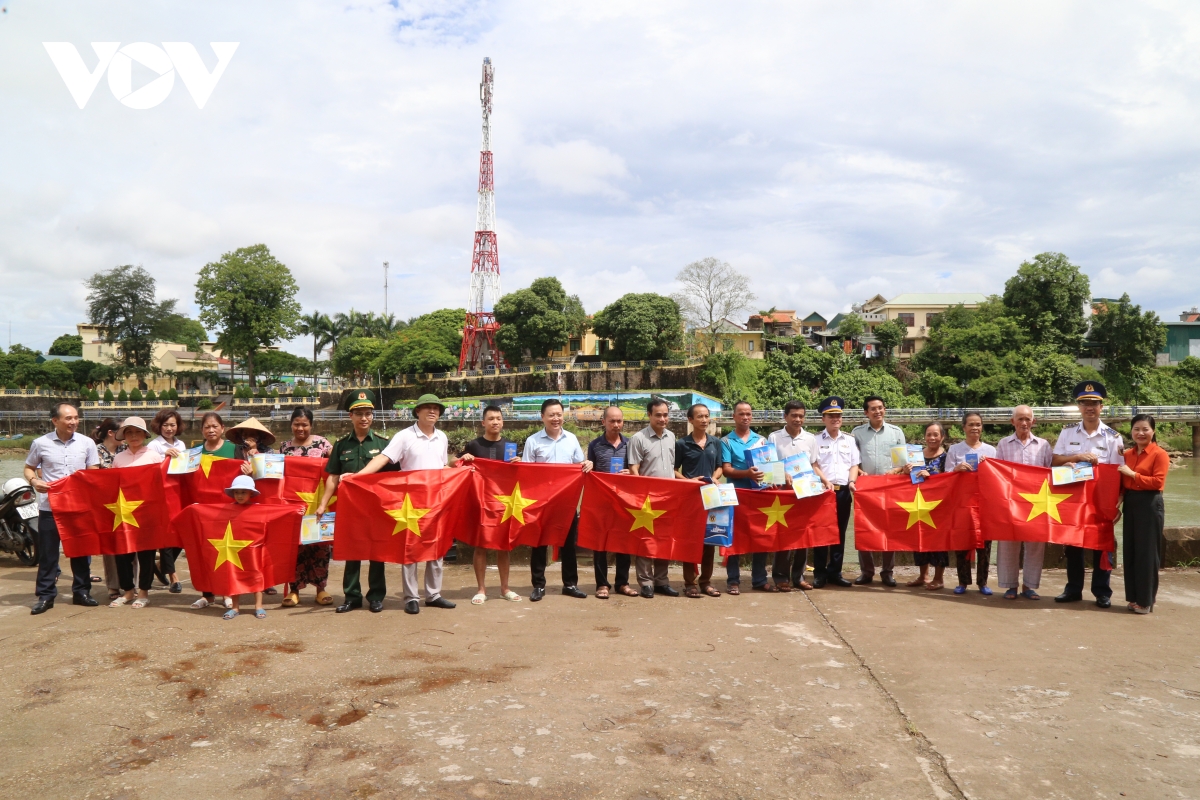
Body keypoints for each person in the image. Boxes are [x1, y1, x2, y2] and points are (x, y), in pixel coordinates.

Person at [358, 393, 457, 615]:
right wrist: (358, 476)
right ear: (417, 412)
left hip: (436, 500)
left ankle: (433, 594)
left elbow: (442, 466)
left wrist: (464, 470)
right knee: (410, 547)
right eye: (427, 408)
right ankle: (411, 596)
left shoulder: (441, 437)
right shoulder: (404, 436)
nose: (433, 411)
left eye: (436, 408)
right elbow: (383, 458)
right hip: (411, 501)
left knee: (437, 547)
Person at [314, 390, 394, 614]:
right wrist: (322, 504)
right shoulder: (340, 445)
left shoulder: (383, 444)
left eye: (368, 413)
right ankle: (352, 596)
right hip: (349, 508)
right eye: (359, 413)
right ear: (351, 416)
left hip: (375, 507)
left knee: (376, 550)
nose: (364, 418)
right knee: (351, 551)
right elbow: (332, 477)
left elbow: (394, 478)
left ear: (372, 416)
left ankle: (376, 596)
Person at [1052, 381, 1124, 608]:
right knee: (1073, 544)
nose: (1089, 407)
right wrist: (1077, 457)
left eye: (1094, 403)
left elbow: (1119, 473)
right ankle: (1073, 589)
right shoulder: (1067, 432)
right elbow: (1055, 462)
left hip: (1102, 500)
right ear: (1079, 407)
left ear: (1101, 407)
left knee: (1102, 545)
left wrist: (1117, 504)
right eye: (1084, 403)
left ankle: (1102, 591)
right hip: (1075, 498)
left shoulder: (1113, 437)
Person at [25, 403, 100, 614]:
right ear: (55, 421)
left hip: (79, 507)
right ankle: (46, 596)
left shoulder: (87, 443)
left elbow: (93, 471)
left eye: (76, 418)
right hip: (50, 507)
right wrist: (34, 481)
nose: (73, 422)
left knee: (80, 550)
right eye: (68, 418)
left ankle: (82, 592)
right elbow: (29, 467)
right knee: (48, 554)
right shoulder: (40, 443)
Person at [521, 398, 593, 601]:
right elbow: (527, 473)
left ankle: (570, 584)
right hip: (541, 503)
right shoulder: (533, 441)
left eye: (559, 414)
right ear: (542, 417)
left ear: (563, 416)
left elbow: (580, 465)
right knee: (539, 543)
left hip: (566, 503)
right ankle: (538, 585)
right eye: (551, 415)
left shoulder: (571, 439)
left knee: (569, 544)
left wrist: (587, 463)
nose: (556, 418)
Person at [455, 404, 523, 605]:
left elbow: (518, 476)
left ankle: (505, 588)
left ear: (503, 422)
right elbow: (454, 464)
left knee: (504, 546)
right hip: (481, 502)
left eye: (499, 418)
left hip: (504, 503)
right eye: (491, 419)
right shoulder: (474, 445)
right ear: (483, 423)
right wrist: (463, 459)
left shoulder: (510, 446)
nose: (495, 422)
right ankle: (481, 589)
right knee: (481, 545)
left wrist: (519, 462)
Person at [994, 405, 1053, 600]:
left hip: (1037, 503)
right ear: (1013, 422)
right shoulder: (1003, 444)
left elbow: (1049, 472)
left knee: (1035, 544)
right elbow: (997, 474)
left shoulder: (1043, 445)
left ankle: (1029, 585)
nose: (1024, 423)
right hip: (1010, 501)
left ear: (1033, 422)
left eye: (1028, 419)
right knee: (1008, 542)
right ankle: (1010, 585)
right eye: (1020, 419)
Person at [278, 407, 334, 607]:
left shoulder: (323, 444)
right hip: (294, 507)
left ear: (311, 425)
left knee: (320, 545)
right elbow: (275, 475)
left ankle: (321, 588)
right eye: (296, 424)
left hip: (320, 504)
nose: (300, 428)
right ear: (291, 424)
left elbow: (336, 466)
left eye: (304, 424)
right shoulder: (284, 448)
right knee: (295, 547)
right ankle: (294, 590)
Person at [108, 417, 165, 609]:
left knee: (146, 553)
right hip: (123, 512)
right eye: (129, 432)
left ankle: (143, 591)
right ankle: (127, 591)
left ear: (144, 435)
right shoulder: (118, 458)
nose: (133, 436)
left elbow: (161, 484)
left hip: (146, 511)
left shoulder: (154, 457)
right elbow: (112, 486)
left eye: (137, 432)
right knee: (123, 552)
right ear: (124, 436)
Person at [850, 395, 906, 587]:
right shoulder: (857, 433)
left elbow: (901, 463)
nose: (878, 411)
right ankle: (866, 572)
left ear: (885, 409)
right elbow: (852, 462)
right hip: (865, 489)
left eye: (880, 408)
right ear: (866, 412)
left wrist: (895, 470)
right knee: (864, 528)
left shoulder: (896, 432)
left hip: (889, 487)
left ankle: (887, 572)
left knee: (889, 529)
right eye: (873, 409)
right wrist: (859, 472)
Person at [627, 398, 679, 598]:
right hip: (647, 499)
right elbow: (634, 469)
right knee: (646, 541)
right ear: (649, 415)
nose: (662, 419)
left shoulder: (671, 437)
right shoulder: (638, 438)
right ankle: (646, 582)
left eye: (665, 415)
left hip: (669, 498)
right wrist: (640, 497)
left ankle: (662, 581)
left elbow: (673, 469)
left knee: (664, 540)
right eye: (658, 415)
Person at [191, 412, 242, 610]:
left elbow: (244, 478)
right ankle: (207, 595)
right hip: (203, 511)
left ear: (223, 428)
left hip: (228, 510)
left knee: (227, 550)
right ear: (201, 430)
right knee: (205, 553)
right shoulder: (194, 452)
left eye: (215, 426)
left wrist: (249, 471)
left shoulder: (234, 449)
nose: (211, 430)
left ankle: (228, 592)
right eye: (206, 427)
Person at [1118, 414, 1167, 614]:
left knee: (1147, 553)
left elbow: (1157, 482)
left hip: (1150, 503)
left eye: (1145, 429)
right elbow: (1122, 484)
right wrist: (1117, 504)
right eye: (1136, 429)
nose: (1141, 433)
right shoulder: (1127, 454)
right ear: (1131, 431)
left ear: (1153, 431)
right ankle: (1133, 597)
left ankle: (1146, 601)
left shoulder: (1159, 454)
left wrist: (1133, 474)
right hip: (1130, 503)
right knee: (1130, 550)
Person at [808, 396, 858, 588]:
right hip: (822, 492)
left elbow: (854, 464)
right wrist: (824, 480)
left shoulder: (850, 440)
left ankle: (835, 572)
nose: (835, 419)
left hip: (844, 492)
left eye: (838, 415)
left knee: (840, 533)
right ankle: (819, 574)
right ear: (823, 418)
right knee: (821, 532)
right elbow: (813, 464)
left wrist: (852, 481)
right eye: (831, 416)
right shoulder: (815, 440)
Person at [946, 411, 997, 595]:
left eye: (978, 424)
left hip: (984, 504)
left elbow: (997, 478)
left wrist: (988, 466)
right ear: (964, 427)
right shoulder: (955, 450)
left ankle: (983, 582)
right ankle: (963, 582)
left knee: (984, 544)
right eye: (971, 425)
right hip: (962, 503)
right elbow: (946, 477)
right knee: (962, 542)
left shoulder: (991, 451)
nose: (975, 428)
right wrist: (956, 469)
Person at [586, 405, 635, 599]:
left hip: (624, 501)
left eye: (619, 421)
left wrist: (631, 472)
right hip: (602, 502)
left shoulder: (631, 444)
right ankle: (602, 584)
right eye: (612, 421)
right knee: (600, 544)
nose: (616, 425)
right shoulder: (594, 446)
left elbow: (637, 471)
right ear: (603, 422)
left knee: (624, 543)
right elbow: (590, 474)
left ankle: (622, 582)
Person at [767, 400, 816, 591]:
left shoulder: (810, 439)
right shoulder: (774, 437)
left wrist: (825, 481)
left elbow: (814, 466)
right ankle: (780, 577)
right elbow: (768, 464)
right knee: (784, 535)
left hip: (804, 494)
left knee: (803, 535)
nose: (798, 419)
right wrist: (781, 472)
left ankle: (799, 575)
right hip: (782, 494)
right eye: (794, 415)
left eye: (801, 416)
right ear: (785, 416)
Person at [720, 401, 769, 594]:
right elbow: (726, 469)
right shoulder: (726, 441)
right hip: (736, 495)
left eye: (748, 414)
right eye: (741, 414)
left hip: (759, 496)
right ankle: (733, 580)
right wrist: (747, 473)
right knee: (735, 538)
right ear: (734, 417)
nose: (745, 417)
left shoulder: (761, 440)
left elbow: (768, 466)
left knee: (760, 536)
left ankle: (759, 578)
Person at [675, 403, 723, 598]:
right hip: (690, 497)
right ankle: (689, 582)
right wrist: (688, 482)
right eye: (700, 417)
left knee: (710, 540)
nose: (704, 420)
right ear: (690, 420)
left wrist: (715, 477)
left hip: (711, 496)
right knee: (690, 540)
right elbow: (673, 470)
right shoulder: (681, 444)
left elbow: (720, 467)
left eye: (706, 416)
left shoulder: (715, 443)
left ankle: (706, 581)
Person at [902, 421, 949, 590]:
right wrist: (906, 471)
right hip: (918, 503)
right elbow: (907, 479)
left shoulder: (947, 456)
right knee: (920, 538)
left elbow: (951, 478)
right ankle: (923, 575)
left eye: (936, 434)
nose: (932, 438)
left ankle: (939, 578)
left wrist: (933, 475)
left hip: (939, 505)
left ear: (942, 437)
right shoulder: (916, 455)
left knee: (938, 541)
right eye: (929, 434)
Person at [148, 409, 186, 593]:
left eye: (173, 424)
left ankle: (161, 565)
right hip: (162, 494)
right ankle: (173, 577)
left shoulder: (182, 444)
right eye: (165, 425)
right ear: (159, 426)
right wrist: (165, 457)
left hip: (179, 492)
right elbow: (152, 471)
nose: (169, 428)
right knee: (167, 534)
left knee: (180, 534)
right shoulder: (154, 446)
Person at [222, 475, 267, 620]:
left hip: (253, 549)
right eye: (237, 492)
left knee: (256, 575)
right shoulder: (226, 509)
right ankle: (235, 607)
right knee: (234, 576)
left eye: (243, 492)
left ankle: (259, 606)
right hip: (233, 549)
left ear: (251, 494)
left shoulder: (258, 509)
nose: (240, 495)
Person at [92, 417, 127, 599]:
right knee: (110, 547)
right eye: (122, 431)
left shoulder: (127, 450)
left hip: (129, 504)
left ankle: (131, 584)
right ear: (111, 433)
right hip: (106, 506)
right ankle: (113, 586)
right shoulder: (94, 452)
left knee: (131, 542)